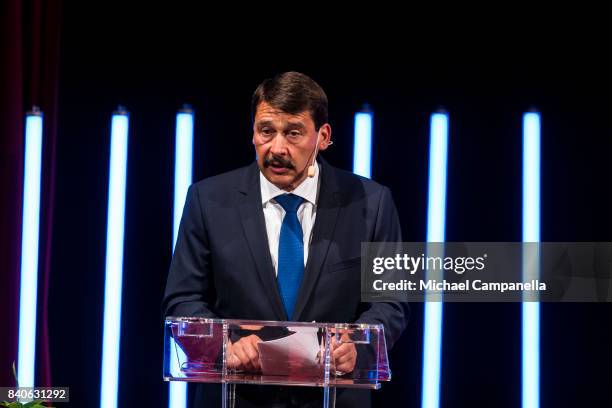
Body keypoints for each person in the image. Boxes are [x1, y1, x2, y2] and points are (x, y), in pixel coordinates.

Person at [162, 71, 409, 407]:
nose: (277, 148)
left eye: (293, 133)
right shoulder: (207, 200)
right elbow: (183, 299)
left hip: (333, 396)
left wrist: (356, 344)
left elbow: (390, 302)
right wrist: (224, 345)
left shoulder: (372, 203)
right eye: (267, 131)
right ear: (253, 132)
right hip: (237, 397)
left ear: (323, 136)